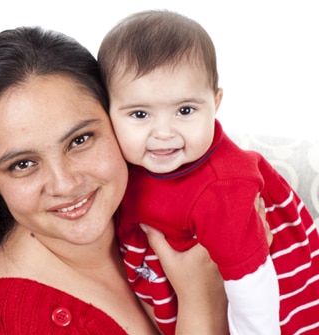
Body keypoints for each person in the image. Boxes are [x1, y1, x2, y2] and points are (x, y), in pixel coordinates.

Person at [0, 26, 238, 335]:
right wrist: (202, 301)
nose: (64, 184)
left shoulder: (185, 183)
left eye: (80, 140)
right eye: (22, 164)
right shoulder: (7, 320)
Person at [98, 9, 319, 335]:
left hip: (259, 300)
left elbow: (253, 291)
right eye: (140, 113)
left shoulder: (222, 188)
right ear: (107, 110)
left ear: (215, 103)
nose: (163, 132)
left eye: (185, 110)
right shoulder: (123, 162)